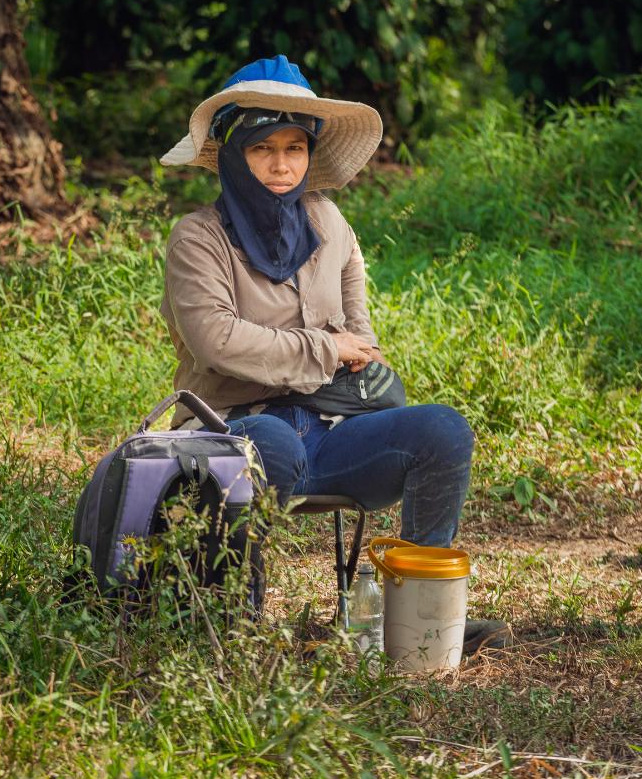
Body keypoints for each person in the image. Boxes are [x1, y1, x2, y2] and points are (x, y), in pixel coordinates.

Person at [159, 55, 508, 646]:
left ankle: (422, 621)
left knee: (443, 431)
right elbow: (219, 344)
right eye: (262, 147)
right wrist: (327, 348)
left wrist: (338, 349)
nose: (281, 164)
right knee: (270, 444)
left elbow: (361, 338)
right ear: (231, 154)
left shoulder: (328, 221)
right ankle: (233, 622)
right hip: (236, 427)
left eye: (295, 148)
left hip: (329, 428)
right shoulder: (198, 238)